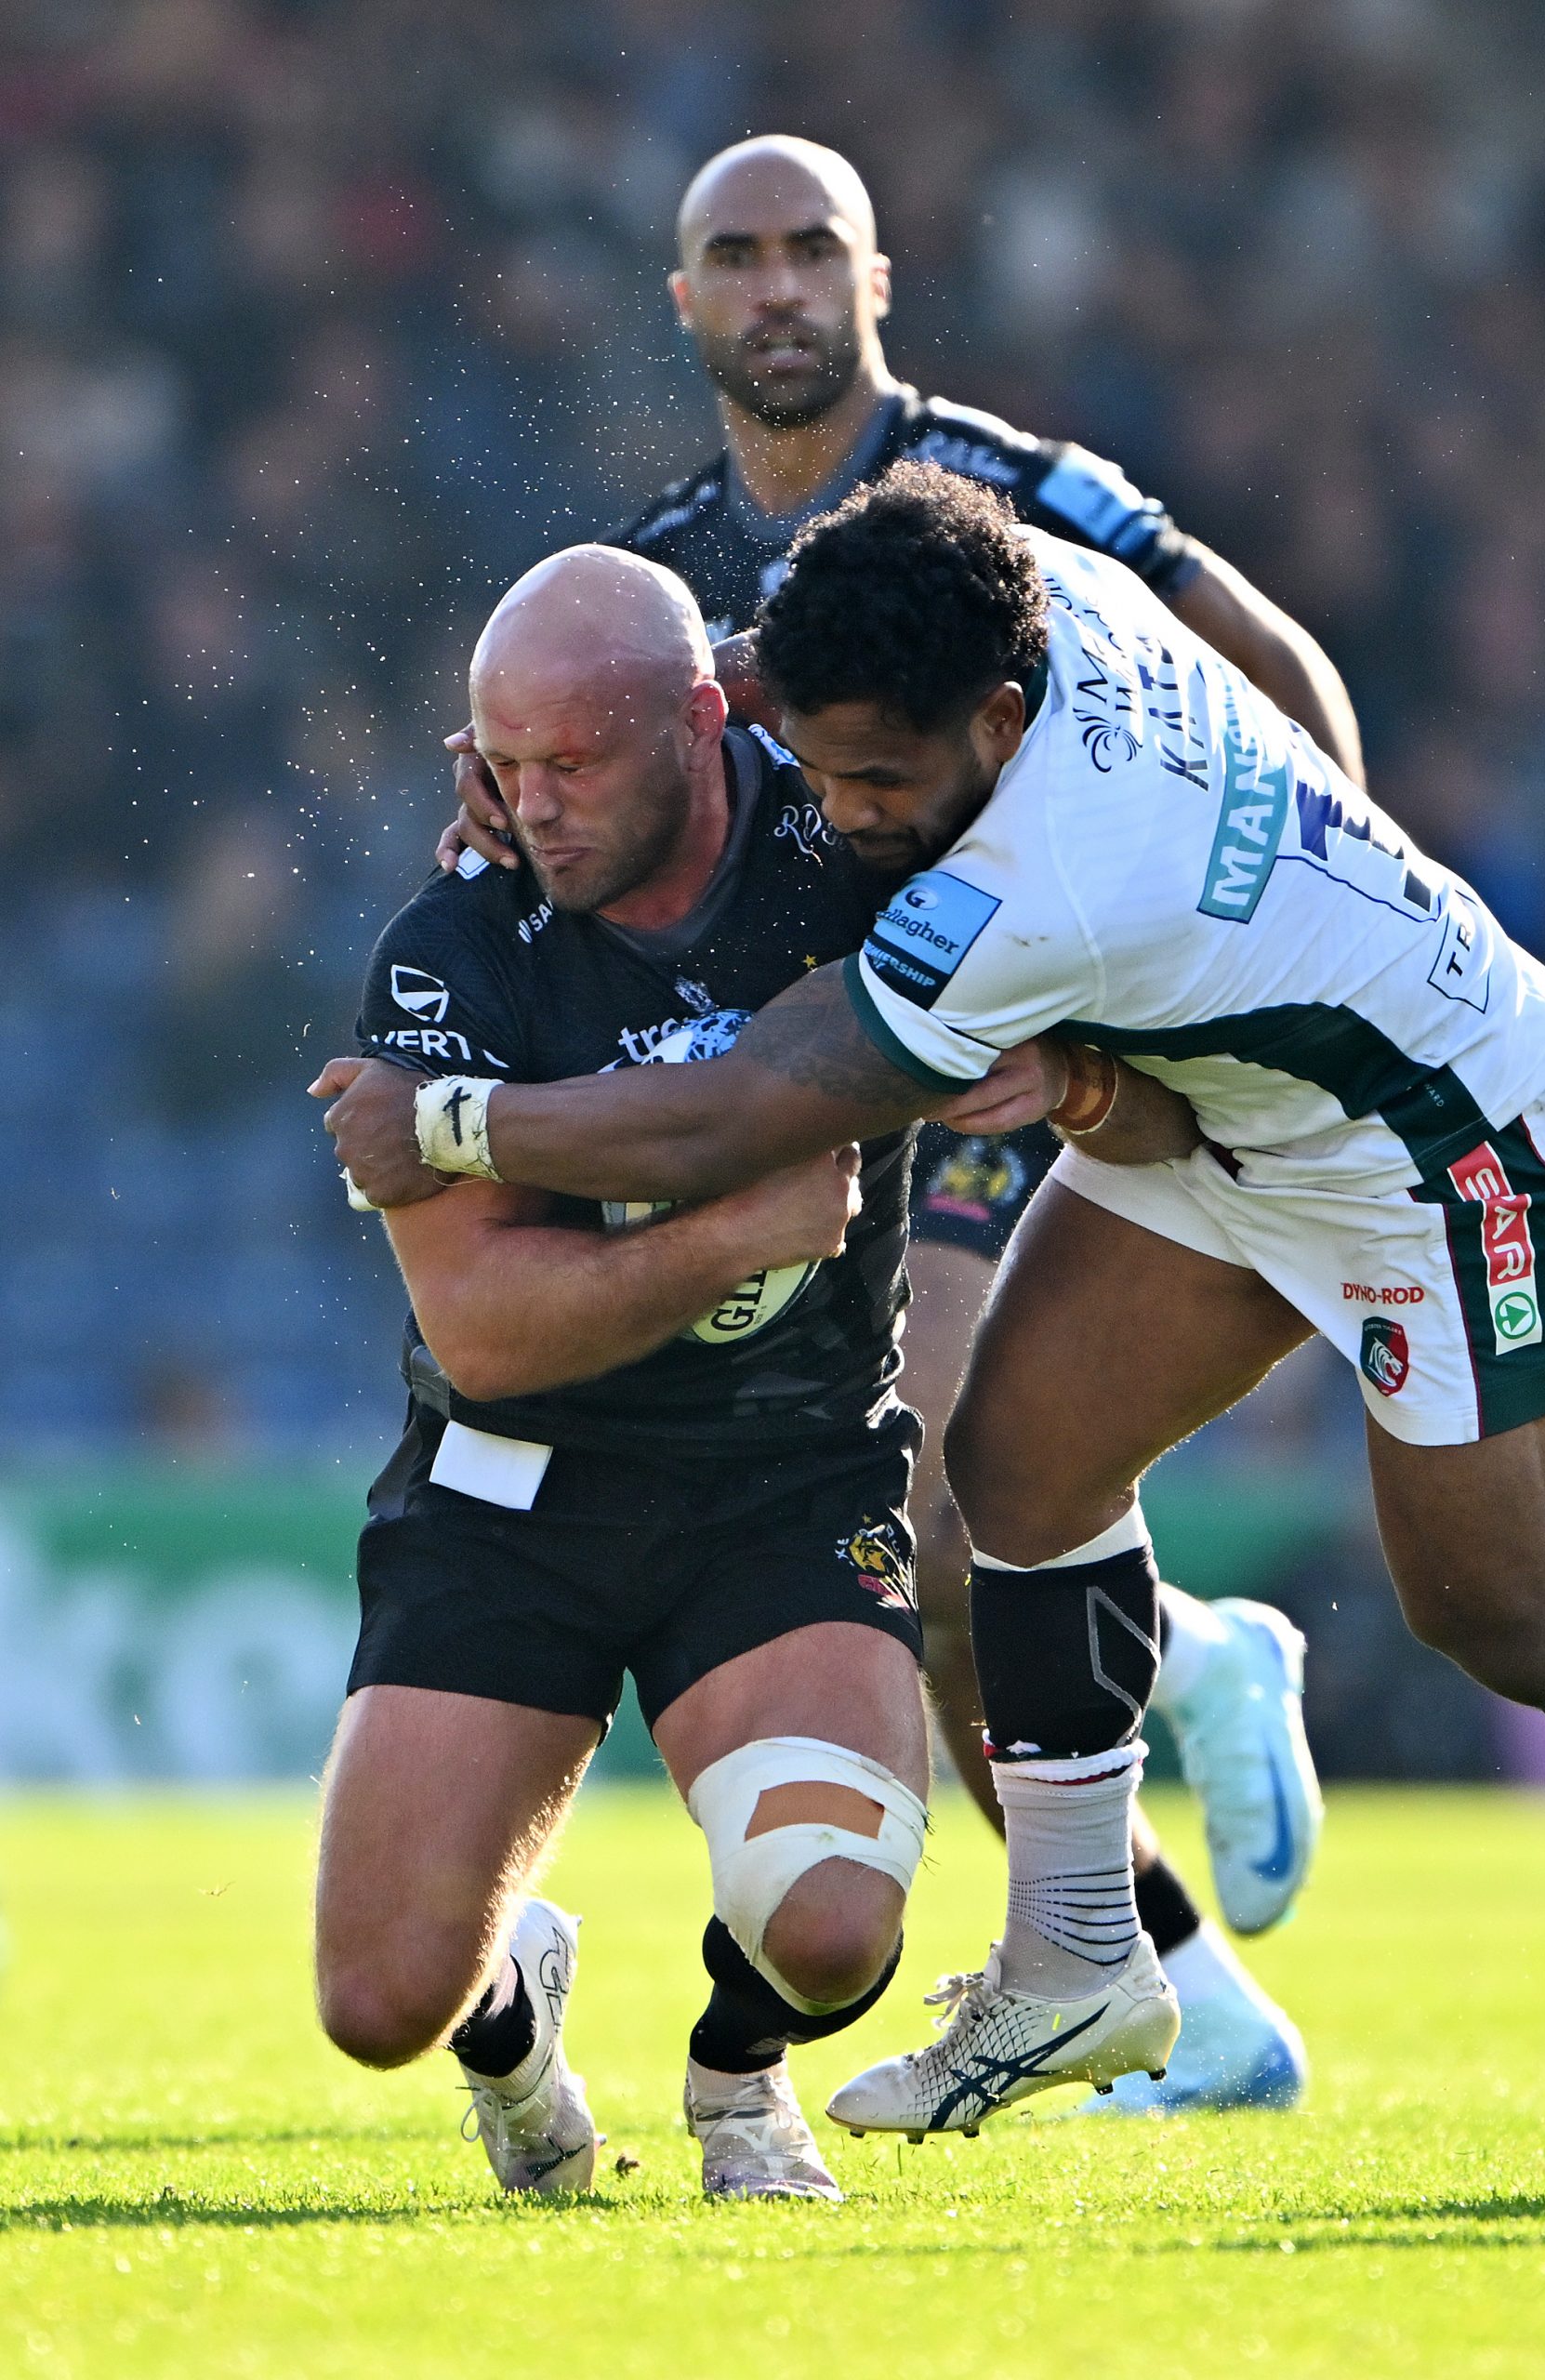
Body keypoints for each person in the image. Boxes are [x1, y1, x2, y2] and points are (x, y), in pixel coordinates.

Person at [323, 463, 1545, 2155]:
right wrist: (581, 749)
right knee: (1014, 1464)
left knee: (1509, 1617)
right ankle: (1077, 1952)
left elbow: (737, 1108)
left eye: (877, 783)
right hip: (1234, 1097)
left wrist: (449, 1123)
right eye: (823, 767)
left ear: (994, 728)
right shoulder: (1030, 596)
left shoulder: (1026, 891)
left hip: (1452, 1144)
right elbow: (770, 670)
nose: (836, 813)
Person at [447, 130, 1340, 2111]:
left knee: (942, 1478)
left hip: (1039, 1041)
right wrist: (524, 806)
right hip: (850, 1057)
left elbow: (1276, 678)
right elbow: (620, 810)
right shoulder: (662, 567)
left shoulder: (1008, 494)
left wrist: (1301, 959)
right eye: (731, 256)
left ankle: (1171, 1732)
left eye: (807, 250)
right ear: (680, 299)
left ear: (875, 279)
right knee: (908, 1548)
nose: (772, 287)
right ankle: (1184, 1898)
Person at [310, 540, 1148, 2202]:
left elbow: (1057, 770)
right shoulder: (450, 945)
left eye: (574, 762)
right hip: (511, 1492)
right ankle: (511, 2017)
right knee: (377, 2004)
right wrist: (731, 1233)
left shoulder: (849, 837)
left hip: (788, 1474)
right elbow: (480, 1326)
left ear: (703, 722)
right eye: (501, 764)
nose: (530, 807)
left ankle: (733, 2071)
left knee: (835, 1932)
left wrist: (1067, 1058)